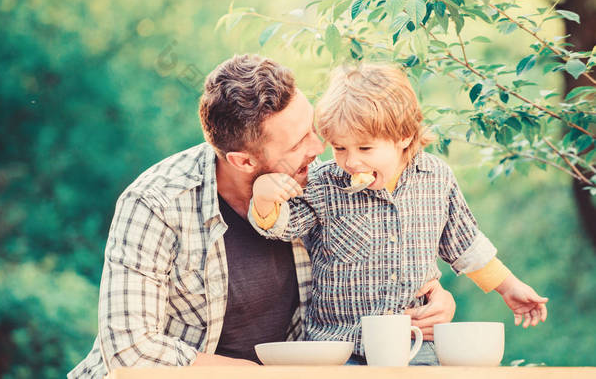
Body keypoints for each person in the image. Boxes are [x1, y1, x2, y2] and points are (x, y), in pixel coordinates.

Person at [68, 55, 457, 378]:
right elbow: (130, 350)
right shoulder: (157, 203)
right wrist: (260, 375)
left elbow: (371, 270)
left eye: (312, 129)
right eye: (298, 142)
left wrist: (431, 298)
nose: (319, 148)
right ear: (243, 160)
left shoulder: (321, 187)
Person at [249, 63, 549, 365]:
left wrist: (510, 287)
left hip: (415, 344)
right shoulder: (324, 183)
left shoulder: (436, 178)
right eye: (339, 148)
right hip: (339, 348)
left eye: (365, 148)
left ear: (404, 136)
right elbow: (282, 227)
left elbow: (466, 245)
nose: (350, 161)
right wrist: (263, 198)